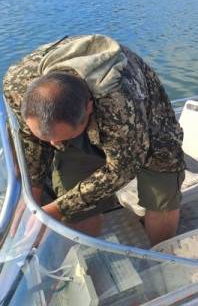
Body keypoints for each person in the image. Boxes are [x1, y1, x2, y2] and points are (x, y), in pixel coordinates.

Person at [3, 34, 185, 246]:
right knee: (74, 203)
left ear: (89, 108)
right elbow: (27, 135)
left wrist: (56, 209)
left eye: (61, 139)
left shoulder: (121, 105)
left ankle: (163, 255)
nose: (54, 145)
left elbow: (122, 169)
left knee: (161, 195)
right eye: (48, 138)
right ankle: (86, 247)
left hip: (147, 122)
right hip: (73, 117)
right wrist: (33, 188)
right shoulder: (16, 85)